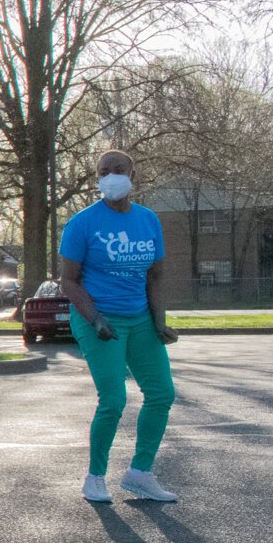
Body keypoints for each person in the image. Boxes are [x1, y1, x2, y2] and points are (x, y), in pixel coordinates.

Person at [59, 149, 180, 504]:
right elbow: (69, 281)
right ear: (97, 178)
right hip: (98, 318)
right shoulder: (82, 223)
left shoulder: (148, 220)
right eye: (104, 171)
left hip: (140, 318)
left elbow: (155, 276)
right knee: (113, 400)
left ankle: (140, 473)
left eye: (118, 170)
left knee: (162, 393)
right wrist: (94, 317)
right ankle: (95, 477)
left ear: (132, 174)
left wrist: (159, 322)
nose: (112, 176)